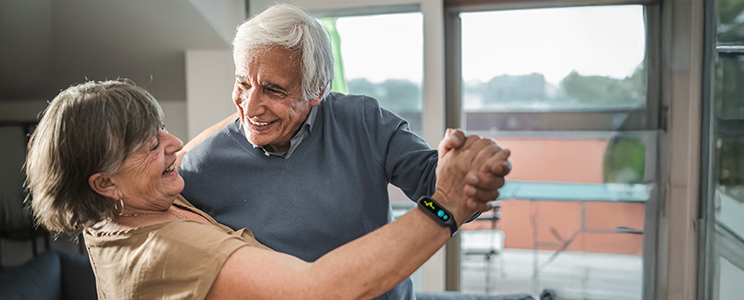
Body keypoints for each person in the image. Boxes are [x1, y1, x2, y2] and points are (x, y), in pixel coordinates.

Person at [24, 80, 509, 299]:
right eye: (151, 145)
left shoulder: (114, 211)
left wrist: (272, 95)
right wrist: (441, 208)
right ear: (104, 182)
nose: (173, 145)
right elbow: (321, 290)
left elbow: (201, 143)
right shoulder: (163, 252)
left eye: (162, 129)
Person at [178, 4, 512, 299]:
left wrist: (471, 171)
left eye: (273, 89)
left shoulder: (364, 121)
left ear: (317, 90)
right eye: (243, 83)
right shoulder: (203, 166)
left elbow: (438, 186)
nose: (250, 106)